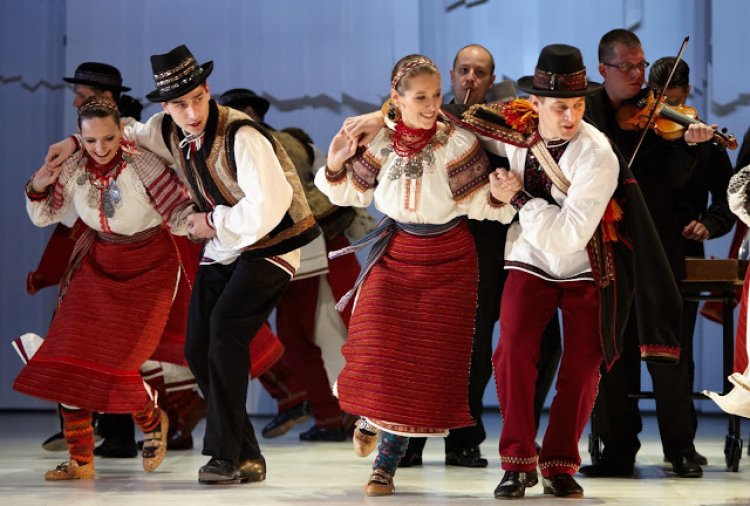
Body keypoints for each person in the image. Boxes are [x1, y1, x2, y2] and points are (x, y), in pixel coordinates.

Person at [343, 44, 563, 470]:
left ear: (492, 78)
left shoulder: (501, 115)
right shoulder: (429, 117)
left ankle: (466, 437)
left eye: (480, 72)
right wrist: (385, 116)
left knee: (473, 345)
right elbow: (415, 118)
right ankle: (408, 438)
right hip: (441, 237)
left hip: (496, 238)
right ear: (452, 73)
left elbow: (457, 123)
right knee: (430, 343)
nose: (470, 79)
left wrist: (384, 114)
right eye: (463, 70)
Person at [316, 53, 515, 497]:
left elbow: (480, 205)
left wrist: (500, 197)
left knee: (418, 367)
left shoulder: (458, 143)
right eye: (421, 97)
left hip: (448, 260)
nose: (431, 105)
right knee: (373, 344)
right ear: (397, 98)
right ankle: (370, 415)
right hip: (396, 251)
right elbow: (350, 193)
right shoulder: (380, 142)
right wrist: (335, 163)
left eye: (436, 95)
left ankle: (384, 467)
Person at [14, 96, 195, 480]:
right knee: (67, 358)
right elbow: (46, 215)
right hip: (97, 265)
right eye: (90, 140)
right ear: (79, 137)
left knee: (121, 362)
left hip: (150, 269)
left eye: (108, 138)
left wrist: (216, 223)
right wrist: (37, 186)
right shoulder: (72, 166)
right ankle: (80, 460)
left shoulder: (143, 164)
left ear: (120, 131)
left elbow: (180, 215)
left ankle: (152, 419)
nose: (100, 148)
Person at [580, 28, 716, 479]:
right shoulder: (587, 111)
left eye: (642, 65)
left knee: (667, 351)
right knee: (612, 353)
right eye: (628, 67)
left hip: (659, 245)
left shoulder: (662, 119)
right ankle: (618, 450)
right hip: (607, 246)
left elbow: (677, 181)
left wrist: (687, 146)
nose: (640, 75)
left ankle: (680, 448)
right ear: (604, 70)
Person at [219, 88, 361, 442]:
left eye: (229, 114)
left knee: (323, 337)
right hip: (302, 251)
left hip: (308, 251)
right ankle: (336, 415)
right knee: (312, 339)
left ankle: (347, 414)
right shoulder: (282, 142)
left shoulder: (268, 144)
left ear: (248, 112)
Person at [28, 62, 139, 459]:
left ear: (105, 99)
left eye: (81, 96)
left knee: (97, 339)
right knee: (92, 339)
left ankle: (101, 426)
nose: (74, 102)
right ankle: (97, 426)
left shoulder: (131, 139)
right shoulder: (86, 142)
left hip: (120, 256)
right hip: (95, 252)